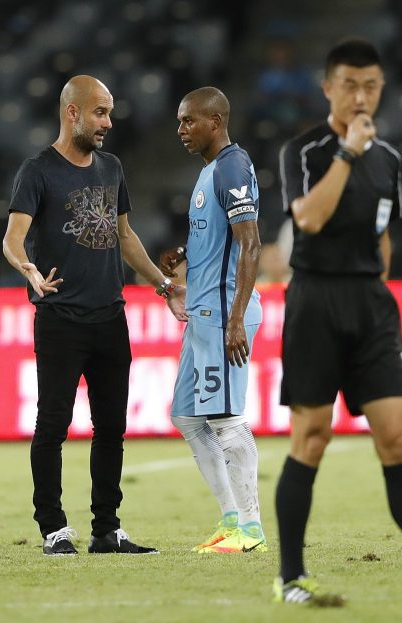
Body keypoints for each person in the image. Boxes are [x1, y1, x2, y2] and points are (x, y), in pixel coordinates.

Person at [274, 39, 402, 605]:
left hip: (370, 304)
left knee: (397, 438)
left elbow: (382, 233)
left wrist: (376, 281)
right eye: (350, 85)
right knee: (311, 438)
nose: (361, 96)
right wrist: (348, 154)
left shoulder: (391, 160)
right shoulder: (303, 151)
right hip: (315, 302)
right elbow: (308, 219)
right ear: (328, 87)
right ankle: (291, 578)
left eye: (371, 86)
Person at [2, 75, 187, 557]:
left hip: (110, 316)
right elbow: (13, 237)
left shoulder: (112, 167)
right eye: (100, 112)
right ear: (72, 113)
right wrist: (28, 270)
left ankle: (107, 529)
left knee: (111, 428)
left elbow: (124, 237)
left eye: (109, 112)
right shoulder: (38, 170)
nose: (108, 122)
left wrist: (163, 286)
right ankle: (53, 528)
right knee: (53, 425)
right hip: (60, 316)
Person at [158, 87, 266, 554]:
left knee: (225, 419)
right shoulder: (210, 172)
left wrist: (236, 317)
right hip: (202, 311)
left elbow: (251, 243)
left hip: (223, 315)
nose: (180, 129)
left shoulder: (232, 167)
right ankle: (229, 519)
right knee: (186, 416)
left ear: (216, 120)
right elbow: (217, 240)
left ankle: (252, 530)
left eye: (188, 121)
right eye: (180, 122)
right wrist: (184, 267)